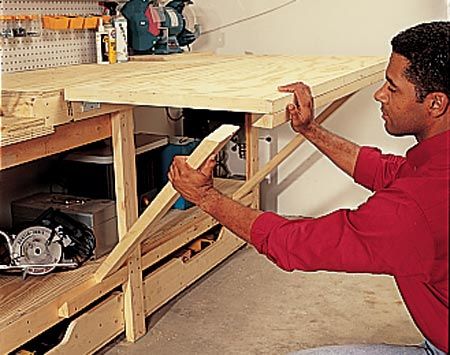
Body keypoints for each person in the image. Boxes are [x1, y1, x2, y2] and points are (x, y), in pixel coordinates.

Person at [169, 21, 449, 354]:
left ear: (435, 104)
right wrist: (310, 129)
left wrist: (205, 197)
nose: (379, 94)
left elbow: (293, 245)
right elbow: (387, 171)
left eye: (392, 87)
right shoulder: (434, 170)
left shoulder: (414, 210)